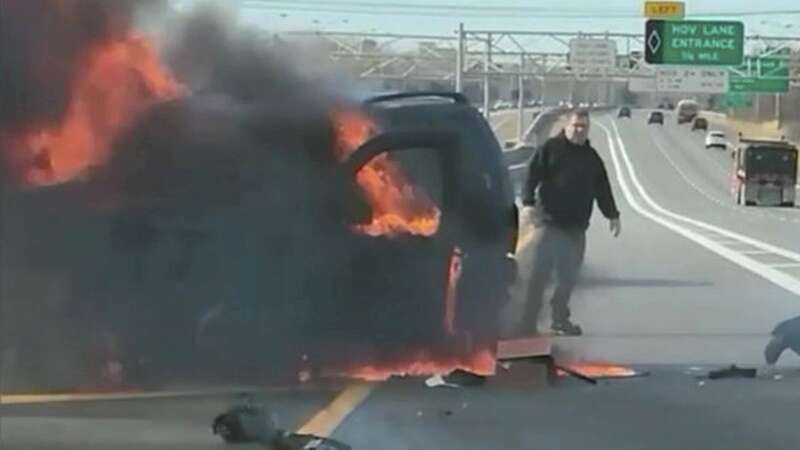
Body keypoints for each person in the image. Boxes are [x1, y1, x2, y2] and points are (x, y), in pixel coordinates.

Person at [520, 108, 621, 336]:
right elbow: (531, 175)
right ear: (566, 126)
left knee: (568, 278)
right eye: (575, 126)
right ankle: (527, 323)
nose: (578, 131)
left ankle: (559, 319)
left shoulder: (591, 158)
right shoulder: (550, 149)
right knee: (538, 276)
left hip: (576, 228)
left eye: (583, 127)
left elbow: (602, 189)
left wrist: (612, 214)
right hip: (548, 223)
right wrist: (527, 203)